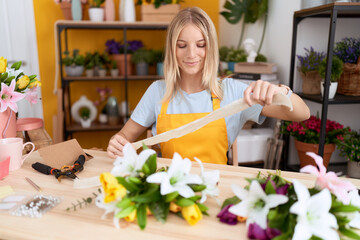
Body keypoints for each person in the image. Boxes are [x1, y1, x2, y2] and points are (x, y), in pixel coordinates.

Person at [107, 7, 310, 164]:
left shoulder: (232, 91)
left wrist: (280, 91)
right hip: (169, 190)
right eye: (182, 45)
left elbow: (302, 114)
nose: (191, 54)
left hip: (215, 191)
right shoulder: (158, 92)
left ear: (210, 47)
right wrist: (118, 143)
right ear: (172, 49)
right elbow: (125, 137)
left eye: (200, 45)